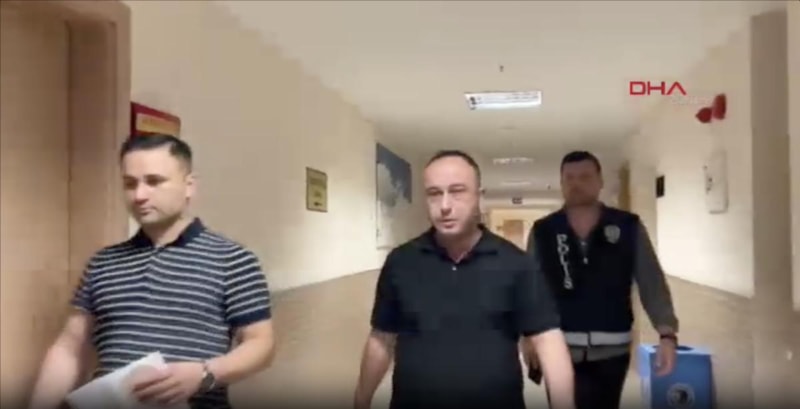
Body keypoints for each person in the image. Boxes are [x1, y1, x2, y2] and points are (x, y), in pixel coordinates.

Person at [27, 134, 276, 409]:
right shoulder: (102, 263)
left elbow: (260, 345)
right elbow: (70, 347)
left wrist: (205, 373)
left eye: (154, 181)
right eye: (130, 183)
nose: (139, 195)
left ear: (189, 186)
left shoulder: (233, 259)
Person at [353, 150, 576, 409]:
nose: (445, 205)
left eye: (457, 191)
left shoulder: (516, 264)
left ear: (479, 197)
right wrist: (361, 399)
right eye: (434, 193)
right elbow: (382, 338)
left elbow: (548, 340)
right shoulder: (401, 262)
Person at [525, 150, 679, 409]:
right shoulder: (544, 230)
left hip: (613, 350)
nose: (576, 184)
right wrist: (527, 334)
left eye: (585, 177)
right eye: (569, 178)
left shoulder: (627, 226)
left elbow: (651, 280)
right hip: (558, 347)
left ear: (600, 181)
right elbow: (530, 286)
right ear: (561, 183)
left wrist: (667, 334)